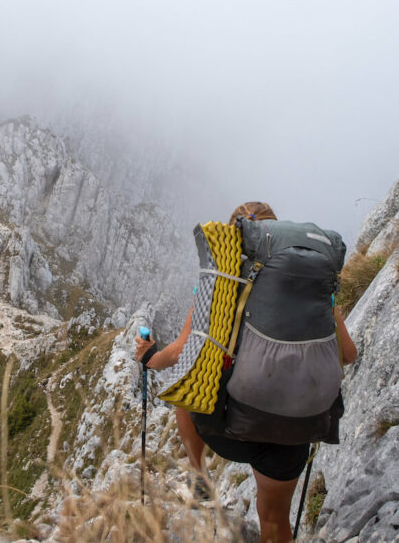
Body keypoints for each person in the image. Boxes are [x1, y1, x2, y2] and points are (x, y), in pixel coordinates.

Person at [135, 201, 357, 543]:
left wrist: (149, 356)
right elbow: (348, 354)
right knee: (272, 521)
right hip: (299, 425)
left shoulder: (224, 281)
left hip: (234, 425)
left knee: (187, 384)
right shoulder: (316, 291)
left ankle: (199, 475)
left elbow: (180, 351)